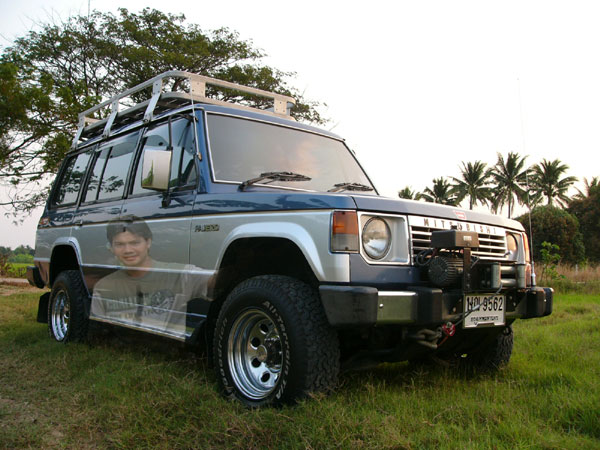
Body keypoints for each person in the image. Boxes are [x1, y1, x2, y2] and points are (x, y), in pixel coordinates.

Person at [91, 217, 211, 338]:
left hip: (169, 347)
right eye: (119, 244)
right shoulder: (104, 287)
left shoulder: (179, 274)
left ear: (148, 242)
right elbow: (100, 333)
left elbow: (215, 282)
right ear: (111, 248)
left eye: (134, 243)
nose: (127, 250)